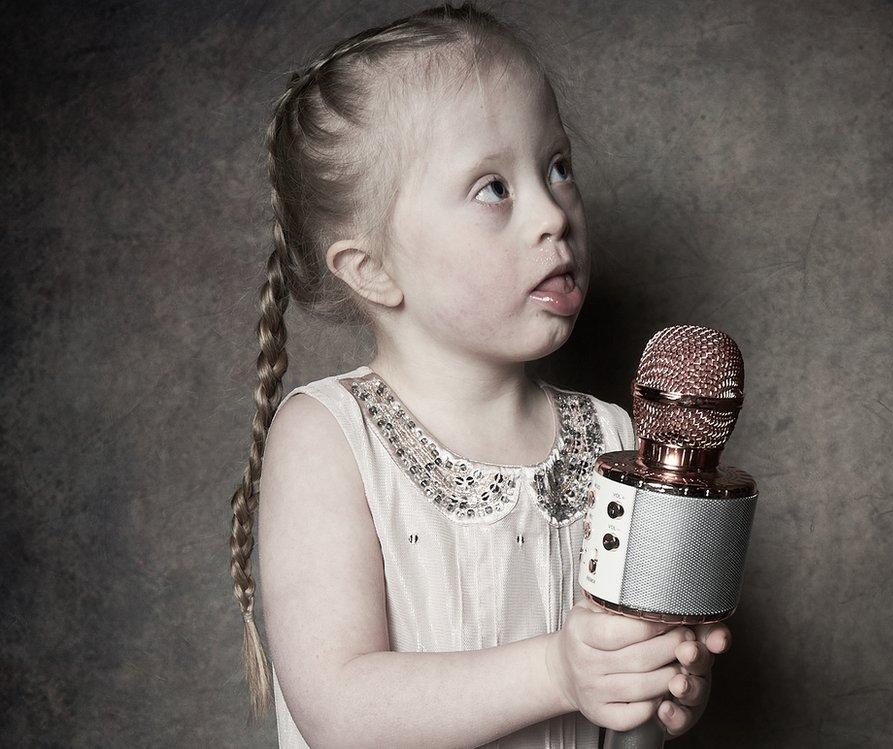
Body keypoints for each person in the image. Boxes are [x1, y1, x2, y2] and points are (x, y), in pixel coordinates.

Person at [227, 3, 732, 746]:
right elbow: (340, 708)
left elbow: (627, 704)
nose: (552, 214)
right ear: (373, 269)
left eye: (557, 167)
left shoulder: (618, 435)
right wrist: (560, 672)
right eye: (493, 187)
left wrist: (657, 684)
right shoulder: (327, 438)